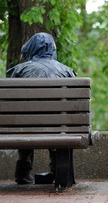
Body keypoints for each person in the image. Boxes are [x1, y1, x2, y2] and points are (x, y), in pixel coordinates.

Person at [6, 32, 76, 184]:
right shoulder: (67, 71)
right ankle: (58, 170)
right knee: (56, 121)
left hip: (22, 128)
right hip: (58, 128)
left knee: (24, 120)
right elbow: (74, 105)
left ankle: (23, 173)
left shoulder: (18, 71)